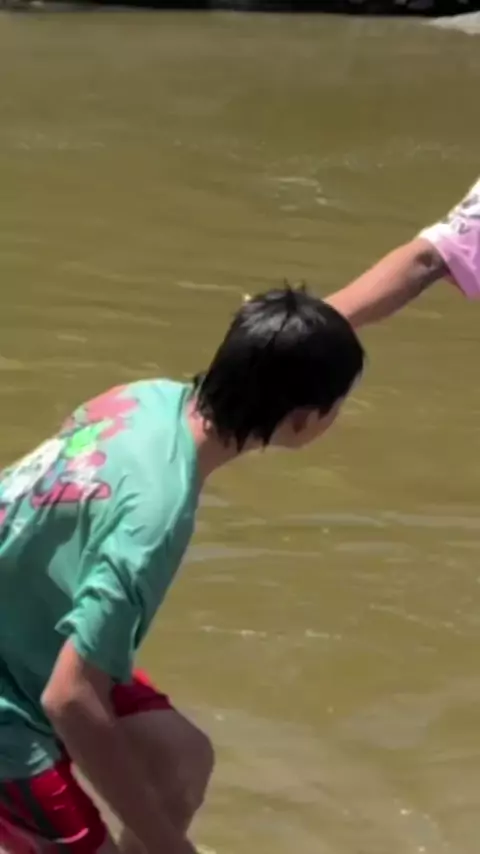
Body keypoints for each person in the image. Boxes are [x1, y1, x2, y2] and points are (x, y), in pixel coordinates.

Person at [0, 175, 478, 854]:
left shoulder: (143, 397)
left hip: (28, 631)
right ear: (304, 420)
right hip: (15, 699)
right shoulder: (156, 517)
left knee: (182, 759)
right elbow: (68, 699)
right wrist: (170, 847)